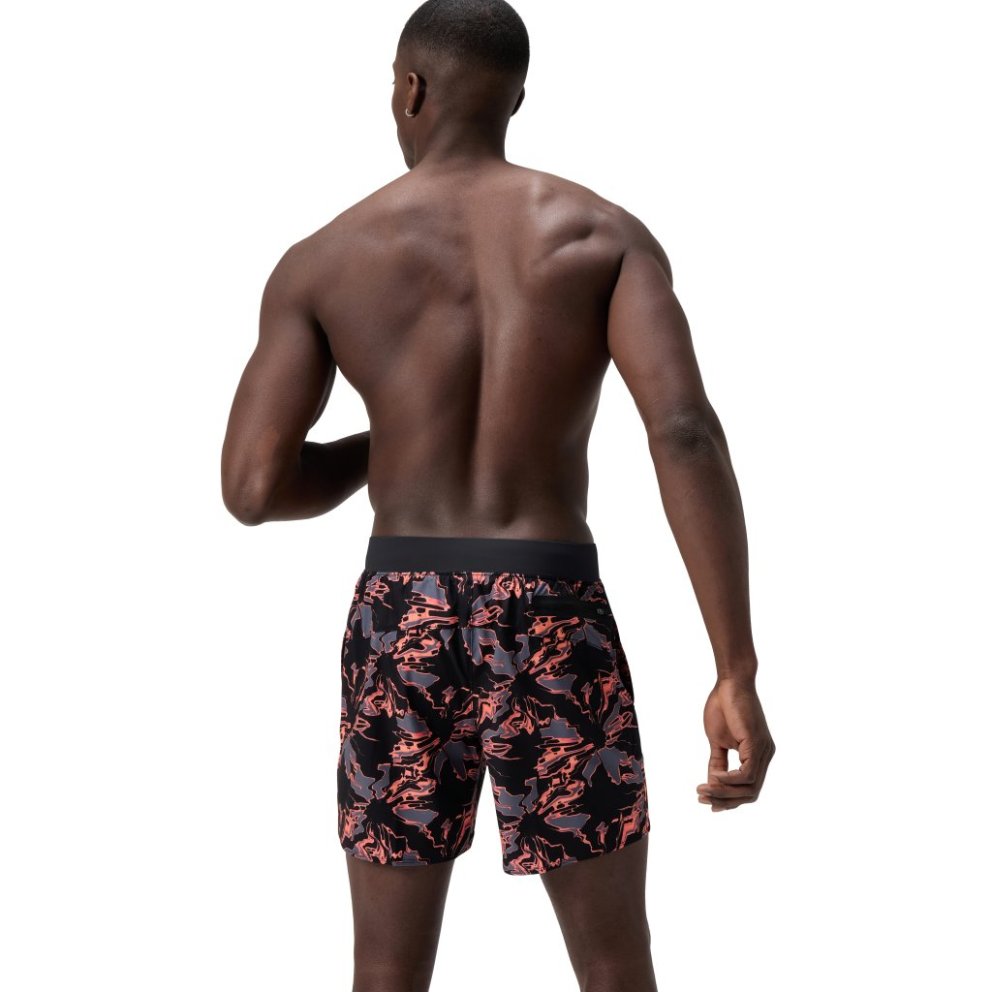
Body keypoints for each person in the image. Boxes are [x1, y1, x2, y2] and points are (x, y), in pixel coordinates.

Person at [220, 1, 775, 989]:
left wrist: (388, 444)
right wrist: (734, 665)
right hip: (552, 611)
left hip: (401, 620)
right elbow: (683, 431)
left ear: (409, 89)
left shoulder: (323, 259)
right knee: (613, 961)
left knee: (386, 969)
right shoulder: (600, 235)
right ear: (516, 98)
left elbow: (253, 487)